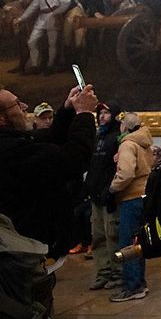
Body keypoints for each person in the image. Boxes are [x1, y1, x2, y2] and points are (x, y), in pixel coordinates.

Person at [0, 83, 98, 314]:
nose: (24, 106)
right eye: (16, 104)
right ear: (2, 118)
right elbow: (74, 158)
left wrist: (66, 110)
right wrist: (84, 114)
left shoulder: (14, 141)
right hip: (19, 256)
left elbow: (47, 139)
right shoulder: (10, 150)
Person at [107, 111, 153, 302]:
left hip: (131, 197)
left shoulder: (127, 144)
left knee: (127, 243)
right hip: (144, 195)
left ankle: (133, 286)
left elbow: (126, 174)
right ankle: (139, 282)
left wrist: (111, 188)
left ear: (124, 126)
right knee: (139, 242)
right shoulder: (144, 142)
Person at [84, 102, 122, 291]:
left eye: (106, 113)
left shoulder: (118, 138)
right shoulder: (97, 137)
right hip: (95, 194)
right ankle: (103, 272)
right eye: (100, 113)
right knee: (97, 236)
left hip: (110, 196)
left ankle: (117, 272)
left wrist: (111, 190)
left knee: (112, 235)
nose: (102, 116)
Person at [15, 0, 72, 75]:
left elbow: (66, 2)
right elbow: (34, 5)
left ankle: (50, 66)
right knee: (32, 41)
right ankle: (35, 66)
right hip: (42, 18)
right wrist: (22, 18)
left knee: (52, 44)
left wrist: (56, 13)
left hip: (53, 17)